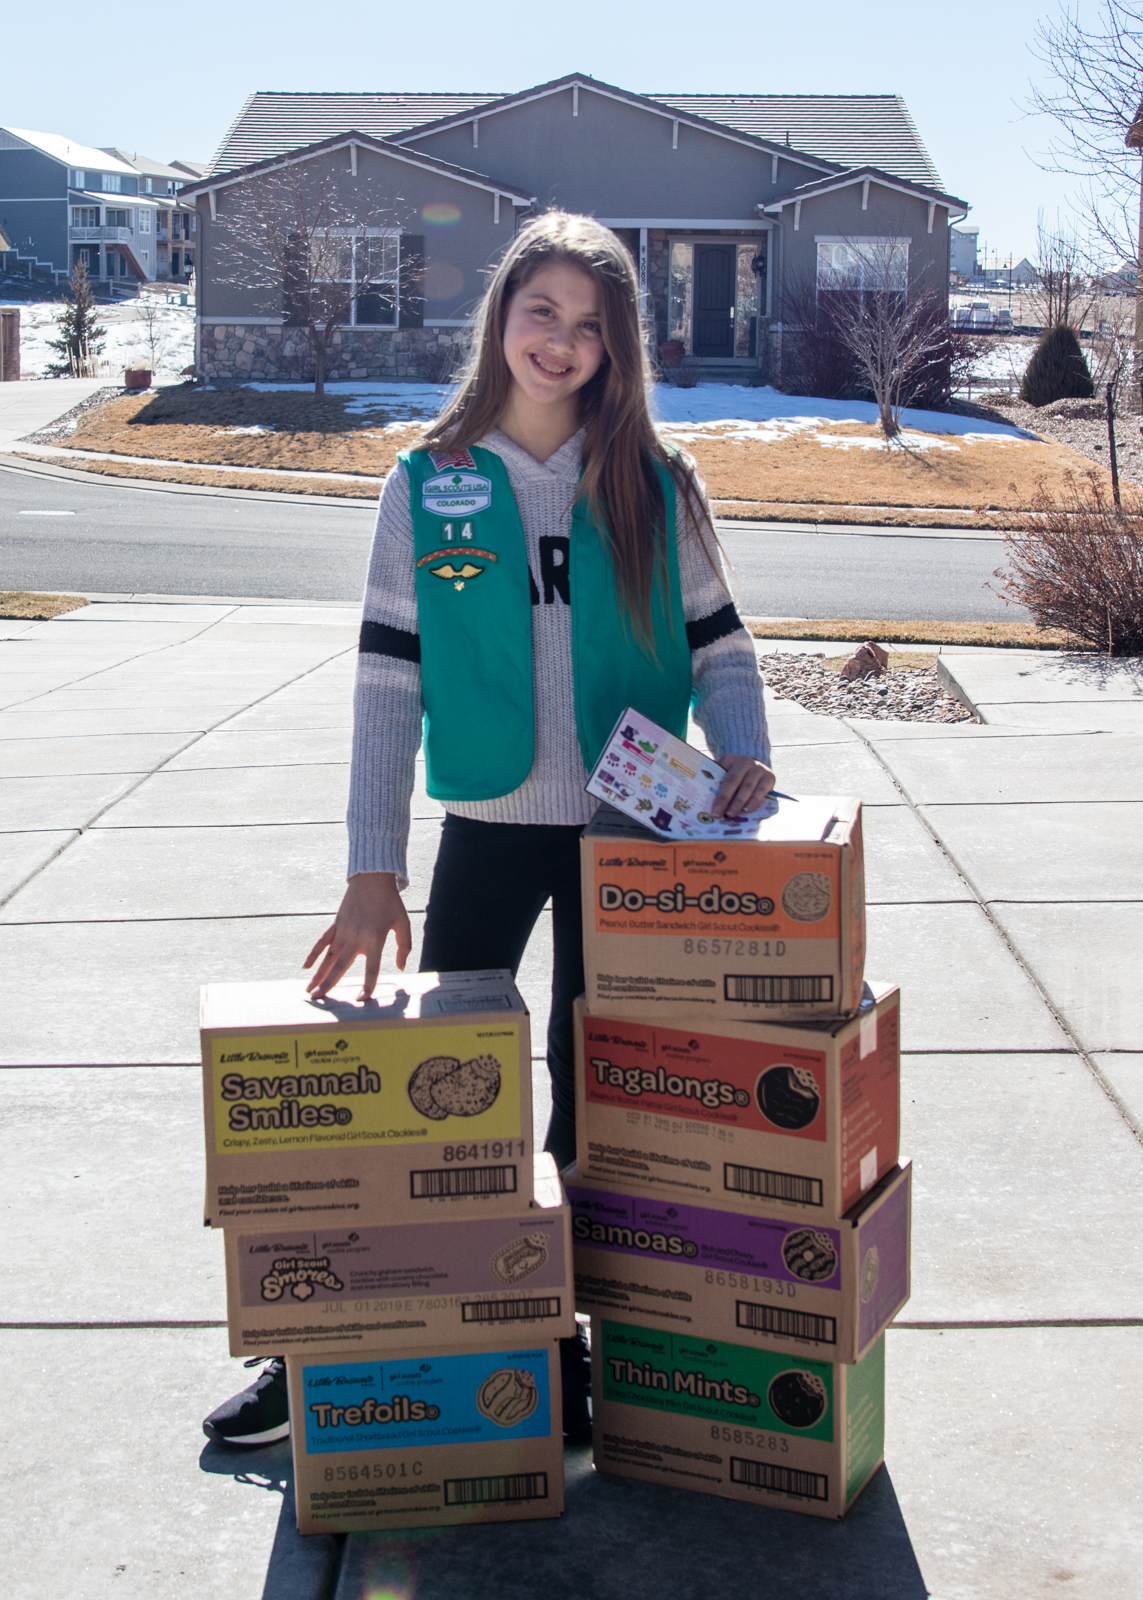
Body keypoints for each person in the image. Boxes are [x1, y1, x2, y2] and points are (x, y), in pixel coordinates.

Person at [202, 211, 774, 1451]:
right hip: (488, 825)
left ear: (619, 347)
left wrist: (746, 750)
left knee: (595, 1096)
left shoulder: (656, 483)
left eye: (590, 324)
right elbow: (386, 684)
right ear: (500, 316)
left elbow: (721, 645)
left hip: (631, 842)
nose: (561, 341)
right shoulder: (429, 483)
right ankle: (336, 1339)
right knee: (430, 1100)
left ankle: (566, 1341)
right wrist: (372, 867)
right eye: (541, 311)